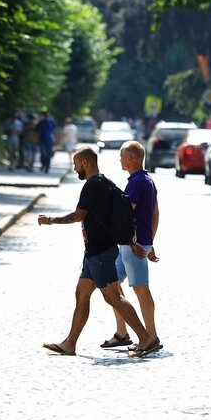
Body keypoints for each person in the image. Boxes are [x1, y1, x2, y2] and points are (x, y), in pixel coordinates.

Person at [37, 147, 160, 357]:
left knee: (113, 296)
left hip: (102, 252)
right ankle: (70, 344)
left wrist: (51, 221)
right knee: (82, 293)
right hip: (93, 252)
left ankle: (146, 337)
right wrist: (130, 242)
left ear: (85, 163)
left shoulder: (93, 186)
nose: (75, 168)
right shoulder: (106, 184)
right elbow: (120, 218)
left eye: (76, 164)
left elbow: (78, 215)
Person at [100, 141, 162, 350]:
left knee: (141, 289)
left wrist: (139, 242)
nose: (119, 160)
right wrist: (150, 241)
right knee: (113, 285)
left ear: (130, 158)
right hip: (132, 242)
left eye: (121, 156)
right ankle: (122, 333)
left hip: (132, 244)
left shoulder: (137, 182)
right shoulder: (147, 180)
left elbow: (126, 214)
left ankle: (151, 337)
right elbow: (155, 213)